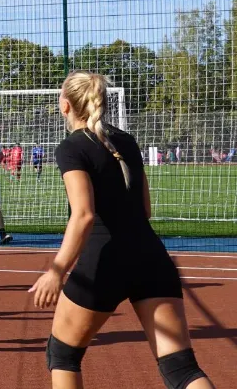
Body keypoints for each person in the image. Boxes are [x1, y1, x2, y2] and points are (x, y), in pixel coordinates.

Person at [29, 71, 214, 389]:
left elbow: (84, 215)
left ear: (65, 105)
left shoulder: (72, 147)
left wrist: (56, 271)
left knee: (62, 355)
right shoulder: (126, 142)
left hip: (104, 260)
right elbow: (146, 210)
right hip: (150, 254)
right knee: (180, 369)